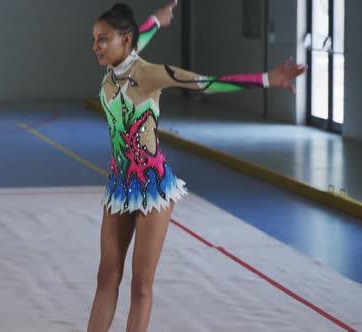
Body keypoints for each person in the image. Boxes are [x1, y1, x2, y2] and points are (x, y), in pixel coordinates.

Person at [87, 2, 308, 331]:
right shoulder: (112, 73)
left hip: (153, 186)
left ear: (125, 41)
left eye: (103, 39)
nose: (96, 47)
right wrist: (156, 21)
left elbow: (203, 82)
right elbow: (138, 38)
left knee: (140, 283)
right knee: (106, 275)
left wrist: (266, 79)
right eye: (94, 40)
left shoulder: (148, 74)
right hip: (120, 186)